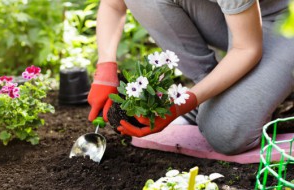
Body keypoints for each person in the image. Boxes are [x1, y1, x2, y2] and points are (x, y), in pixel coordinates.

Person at [87, 0, 294, 155]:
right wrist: (105, 68)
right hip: (237, 18)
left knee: (225, 133)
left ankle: (225, 98)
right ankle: (210, 92)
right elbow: (113, 4)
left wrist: (181, 105)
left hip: (284, 22)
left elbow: (247, 49)